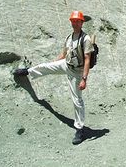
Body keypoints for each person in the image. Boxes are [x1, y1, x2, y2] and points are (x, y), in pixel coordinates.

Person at [13, 10, 94, 145]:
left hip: (77, 72)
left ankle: (79, 129)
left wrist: (84, 79)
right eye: (73, 21)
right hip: (66, 64)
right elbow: (64, 54)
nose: (75, 23)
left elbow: (87, 59)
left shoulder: (85, 39)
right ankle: (27, 72)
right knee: (45, 66)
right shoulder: (69, 37)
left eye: (77, 21)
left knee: (77, 100)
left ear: (81, 22)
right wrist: (54, 63)